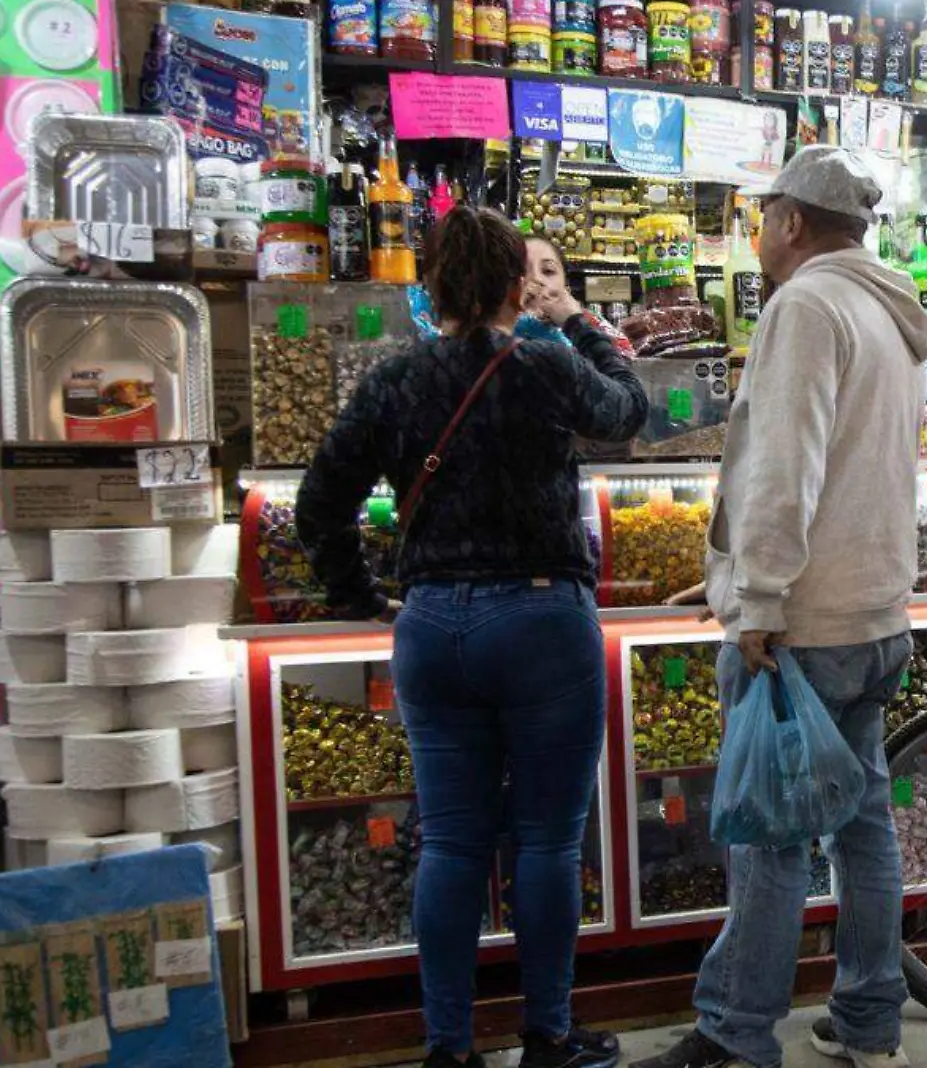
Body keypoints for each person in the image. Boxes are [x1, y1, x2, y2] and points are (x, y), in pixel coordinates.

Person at [296, 205, 650, 1068]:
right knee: (547, 840)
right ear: (509, 287)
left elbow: (320, 501)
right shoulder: (543, 367)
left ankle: (448, 1048)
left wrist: (360, 595)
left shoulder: (392, 381)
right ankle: (549, 1036)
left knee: (451, 842)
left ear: (429, 287)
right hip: (539, 621)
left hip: (431, 627)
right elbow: (631, 410)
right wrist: (574, 318)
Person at [633, 146, 927, 1068]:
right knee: (863, 828)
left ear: (793, 222)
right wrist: (732, 574)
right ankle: (870, 1023)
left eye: (763, 216)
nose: (758, 233)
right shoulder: (890, 313)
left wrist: (757, 596)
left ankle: (735, 1034)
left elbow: (785, 469)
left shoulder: (806, 303)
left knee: (770, 839)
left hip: (806, 626)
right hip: (876, 614)